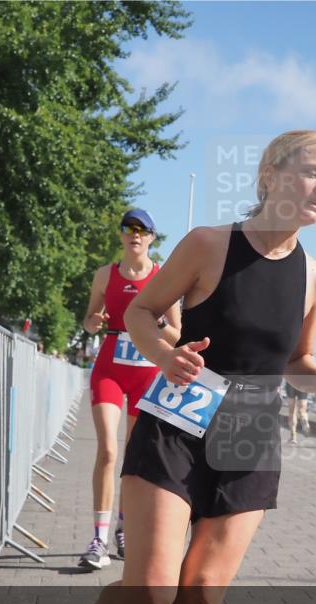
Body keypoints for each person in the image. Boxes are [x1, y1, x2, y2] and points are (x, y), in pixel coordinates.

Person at [29, 130, 316, 604]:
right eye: (314, 173)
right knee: (152, 589)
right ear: (271, 175)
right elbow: (139, 313)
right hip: (178, 422)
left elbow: (294, 360)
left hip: (250, 435)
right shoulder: (209, 245)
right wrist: (164, 355)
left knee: (199, 600)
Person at [80, 209, 180, 570]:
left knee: (132, 461)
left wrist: (155, 322)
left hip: (146, 374)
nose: (134, 235)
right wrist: (94, 321)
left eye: (142, 230)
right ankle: (97, 539)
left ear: (151, 238)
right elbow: (90, 322)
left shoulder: (162, 278)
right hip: (109, 369)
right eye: (128, 228)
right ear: (121, 236)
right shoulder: (104, 275)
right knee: (107, 451)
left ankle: (123, 527)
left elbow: (175, 333)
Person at [284, 380, 309, 444]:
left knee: (291, 411)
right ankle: (304, 419)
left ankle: (293, 437)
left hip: (291, 382)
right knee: (302, 409)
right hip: (304, 382)